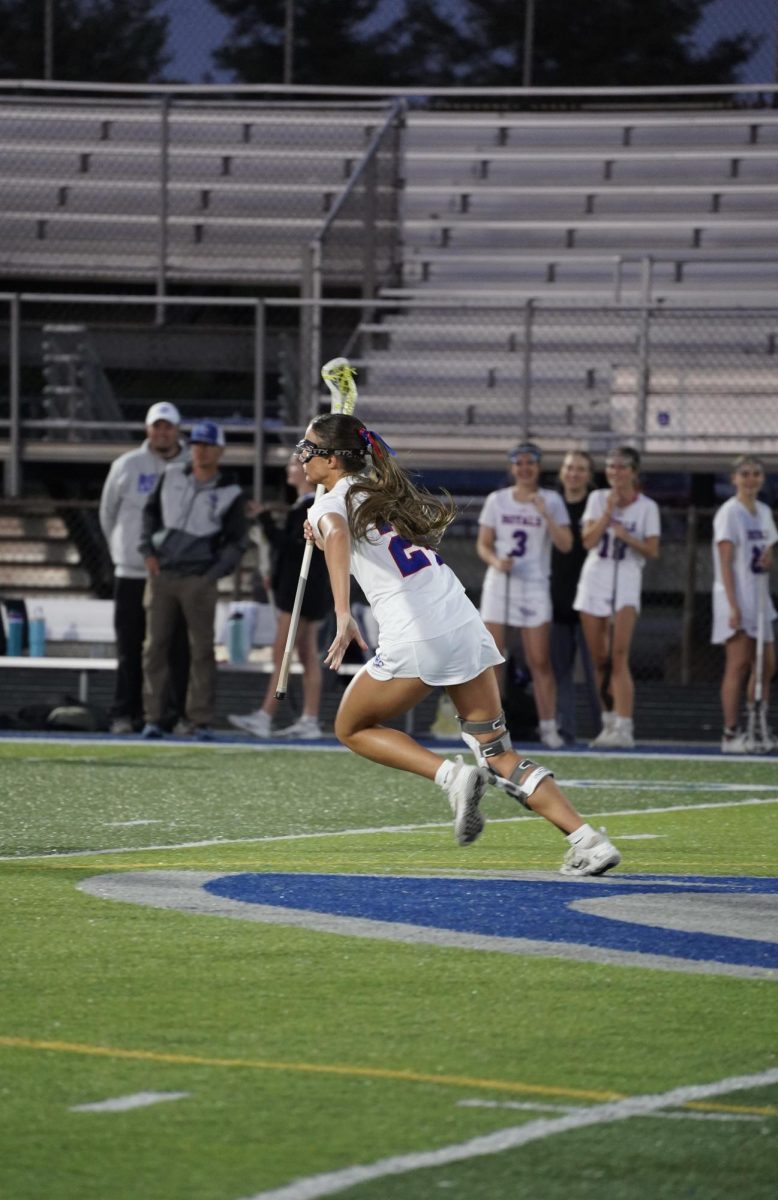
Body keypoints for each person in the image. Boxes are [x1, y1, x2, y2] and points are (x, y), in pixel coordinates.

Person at [300, 413, 621, 877]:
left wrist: (342, 611)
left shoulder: (328, 503)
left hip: (417, 633)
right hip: (463, 622)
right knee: (497, 751)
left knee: (351, 728)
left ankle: (451, 777)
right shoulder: (381, 490)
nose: (302, 456)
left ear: (331, 459)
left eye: (309, 449)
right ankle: (588, 840)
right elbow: (352, 535)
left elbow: (335, 533)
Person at [139, 420, 248, 740]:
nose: (200, 450)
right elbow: (149, 514)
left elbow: (237, 542)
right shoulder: (170, 475)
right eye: (196, 444)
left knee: (201, 650)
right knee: (154, 647)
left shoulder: (230, 492)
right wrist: (147, 550)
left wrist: (212, 575)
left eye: (207, 445)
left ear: (220, 451)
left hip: (199, 579)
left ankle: (199, 719)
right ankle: (153, 718)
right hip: (163, 576)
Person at [99, 401, 190, 734]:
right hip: (132, 572)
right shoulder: (126, 465)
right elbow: (107, 514)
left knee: (174, 648)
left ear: (177, 429)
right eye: (157, 426)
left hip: (173, 575)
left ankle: (171, 714)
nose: (162, 432)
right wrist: (123, 551)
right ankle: (125, 712)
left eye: (167, 426)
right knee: (129, 647)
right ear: (148, 429)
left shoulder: (191, 465)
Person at [476, 442, 573, 749]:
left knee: (539, 660)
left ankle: (548, 727)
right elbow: (484, 544)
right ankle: (492, 728)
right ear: (512, 467)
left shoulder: (552, 500)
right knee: (494, 658)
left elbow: (566, 544)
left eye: (531, 463)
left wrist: (546, 514)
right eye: (519, 463)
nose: (525, 468)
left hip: (533, 585)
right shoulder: (497, 500)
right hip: (501, 583)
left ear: (538, 467)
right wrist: (496, 561)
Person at [228, 453, 332, 739]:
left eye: (295, 465)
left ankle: (266, 716)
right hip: (304, 587)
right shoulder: (306, 505)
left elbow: (293, 548)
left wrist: (264, 519)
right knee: (306, 654)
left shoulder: (312, 506)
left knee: (282, 653)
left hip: (303, 589)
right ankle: (309, 718)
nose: (290, 469)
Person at [574, 446, 661, 749]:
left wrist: (628, 537)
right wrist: (607, 513)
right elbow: (587, 541)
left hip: (625, 579)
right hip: (595, 579)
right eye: (611, 466)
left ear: (634, 472)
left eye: (622, 467)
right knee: (599, 658)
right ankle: (608, 722)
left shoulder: (647, 507)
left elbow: (652, 550)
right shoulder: (598, 499)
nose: (615, 472)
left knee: (618, 655)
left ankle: (625, 724)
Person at [712, 454, 777, 753]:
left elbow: (765, 551)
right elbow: (725, 562)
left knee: (766, 664)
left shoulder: (763, 511)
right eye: (745, 474)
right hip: (735, 595)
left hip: (759, 595)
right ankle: (730, 733)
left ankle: (757, 726)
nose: (751, 479)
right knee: (738, 664)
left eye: (756, 474)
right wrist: (733, 605)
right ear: (734, 479)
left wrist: (769, 558)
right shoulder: (730, 513)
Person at [550, 449, 601, 745]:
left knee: (597, 670)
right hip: (556, 597)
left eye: (581, 469)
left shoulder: (597, 505)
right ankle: (565, 731)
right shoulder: (551, 504)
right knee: (561, 672)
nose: (574, 473)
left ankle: (602, 730)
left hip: (592, 600)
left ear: (589, 474)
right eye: (569, 467)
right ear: (562, 472)